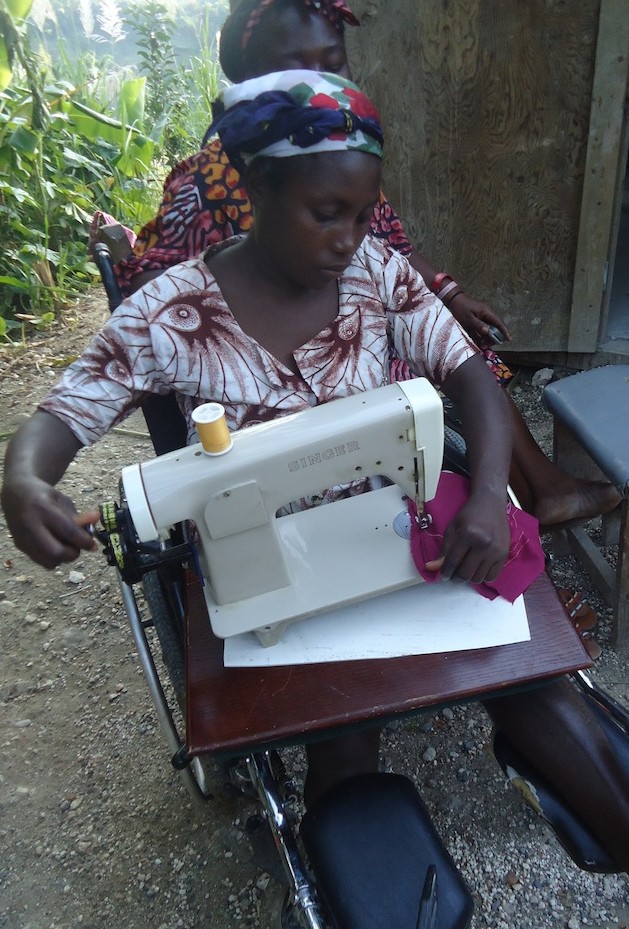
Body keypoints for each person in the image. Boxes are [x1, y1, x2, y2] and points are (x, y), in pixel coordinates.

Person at [3, 71, 629, 872]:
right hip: (265, 561)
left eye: (364, 214)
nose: (349, 237)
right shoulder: (168, 314)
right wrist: (23, 483)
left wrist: (483, 494)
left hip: (400, 526)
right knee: (342, 742)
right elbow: (54, 424)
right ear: (258, 186)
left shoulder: (373, 272)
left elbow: (467, 371)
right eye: (326, 213)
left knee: (536, 680)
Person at [106, 0, 620, 533]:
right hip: (288, 384)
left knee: (460, 353)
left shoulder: (338, 151)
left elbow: (387, 246)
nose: (319, 80)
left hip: (366, 336)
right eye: (293, 66)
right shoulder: (206, 181)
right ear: (248, 78)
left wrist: (448, 294)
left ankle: (532, 488)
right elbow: (153, 286)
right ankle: (536, 487)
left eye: (332, 61)